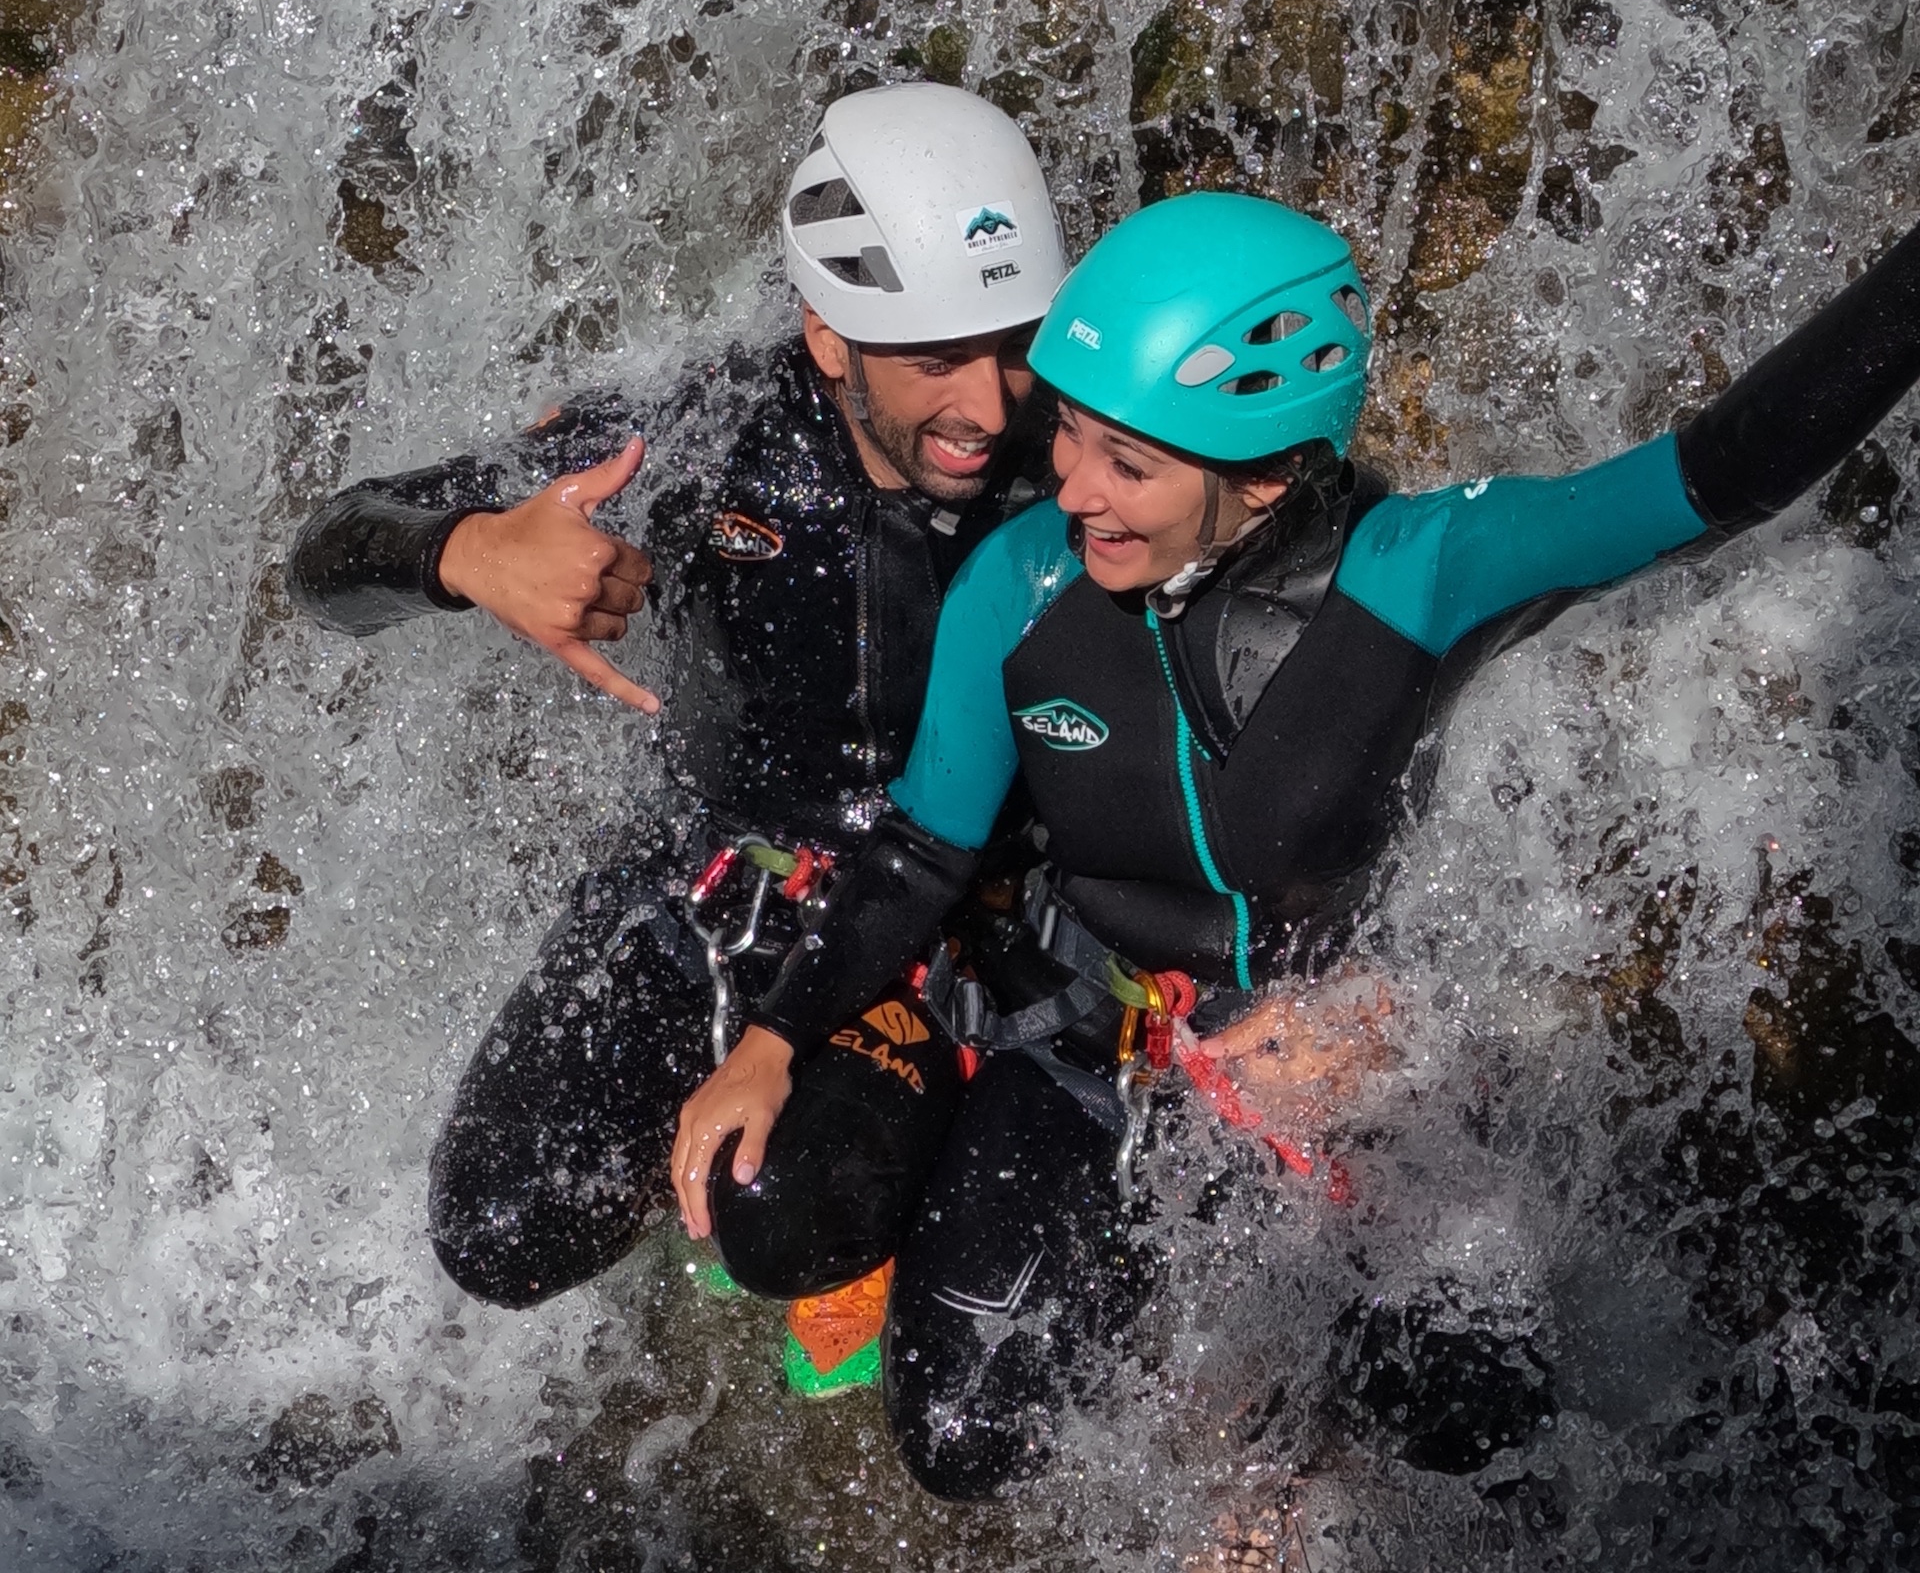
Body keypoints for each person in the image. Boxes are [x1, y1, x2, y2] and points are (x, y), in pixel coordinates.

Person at [671, 189, 1920, 1499]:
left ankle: (1287, 1439)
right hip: (1086, 1042)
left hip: (1339, 1060)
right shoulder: (1022, 583)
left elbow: (1724, 470)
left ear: (1263, 476)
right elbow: (925, 852)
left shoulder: (1419, 571)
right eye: (1075, 437)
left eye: (1127, 466)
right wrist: (772, 1039)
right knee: (965, 1443)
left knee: (1468, 1414)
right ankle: (952, 1224)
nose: (1068, 489)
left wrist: (1405, 1020)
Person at [288, 83, 1069, 1381]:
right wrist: (471, 553)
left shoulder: (1082, 449)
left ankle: (869, 1174)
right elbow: (325, 559)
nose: (988, 405)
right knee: (496, 1228)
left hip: (944, 903)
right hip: (713, 870)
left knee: (787, 1221)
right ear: (829, 338)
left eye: (1012, 343)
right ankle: (726, 1146)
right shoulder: (705, 433)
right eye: (936, 357)